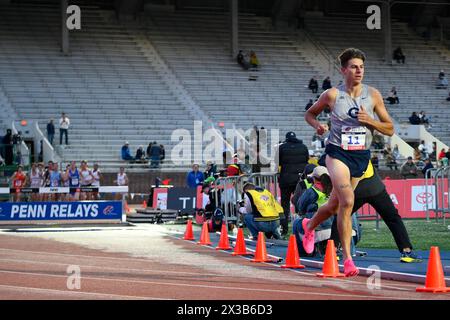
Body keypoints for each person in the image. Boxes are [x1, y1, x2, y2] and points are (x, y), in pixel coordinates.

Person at [304, 47, 394, 276]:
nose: (359, 70)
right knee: (347, 201)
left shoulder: (373, 95)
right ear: (343, 70)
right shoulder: (332, 95)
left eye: (361, 67)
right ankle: (347, 259)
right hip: (337, 154)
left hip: (361, 157)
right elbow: (310, 114)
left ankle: (309, 226)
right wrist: (318, 126)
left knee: (335, 205)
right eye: (354, 66)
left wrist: (370, 122)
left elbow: (390, 129)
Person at [275, 131, 309, 236]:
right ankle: (302, 226)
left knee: (284, 204)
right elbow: (306, 159)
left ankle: (284, 228)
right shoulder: (303, 147)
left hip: (286, 179)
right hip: (299, 179)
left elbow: (277, 162)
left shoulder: (282, 148)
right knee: (300, 202)